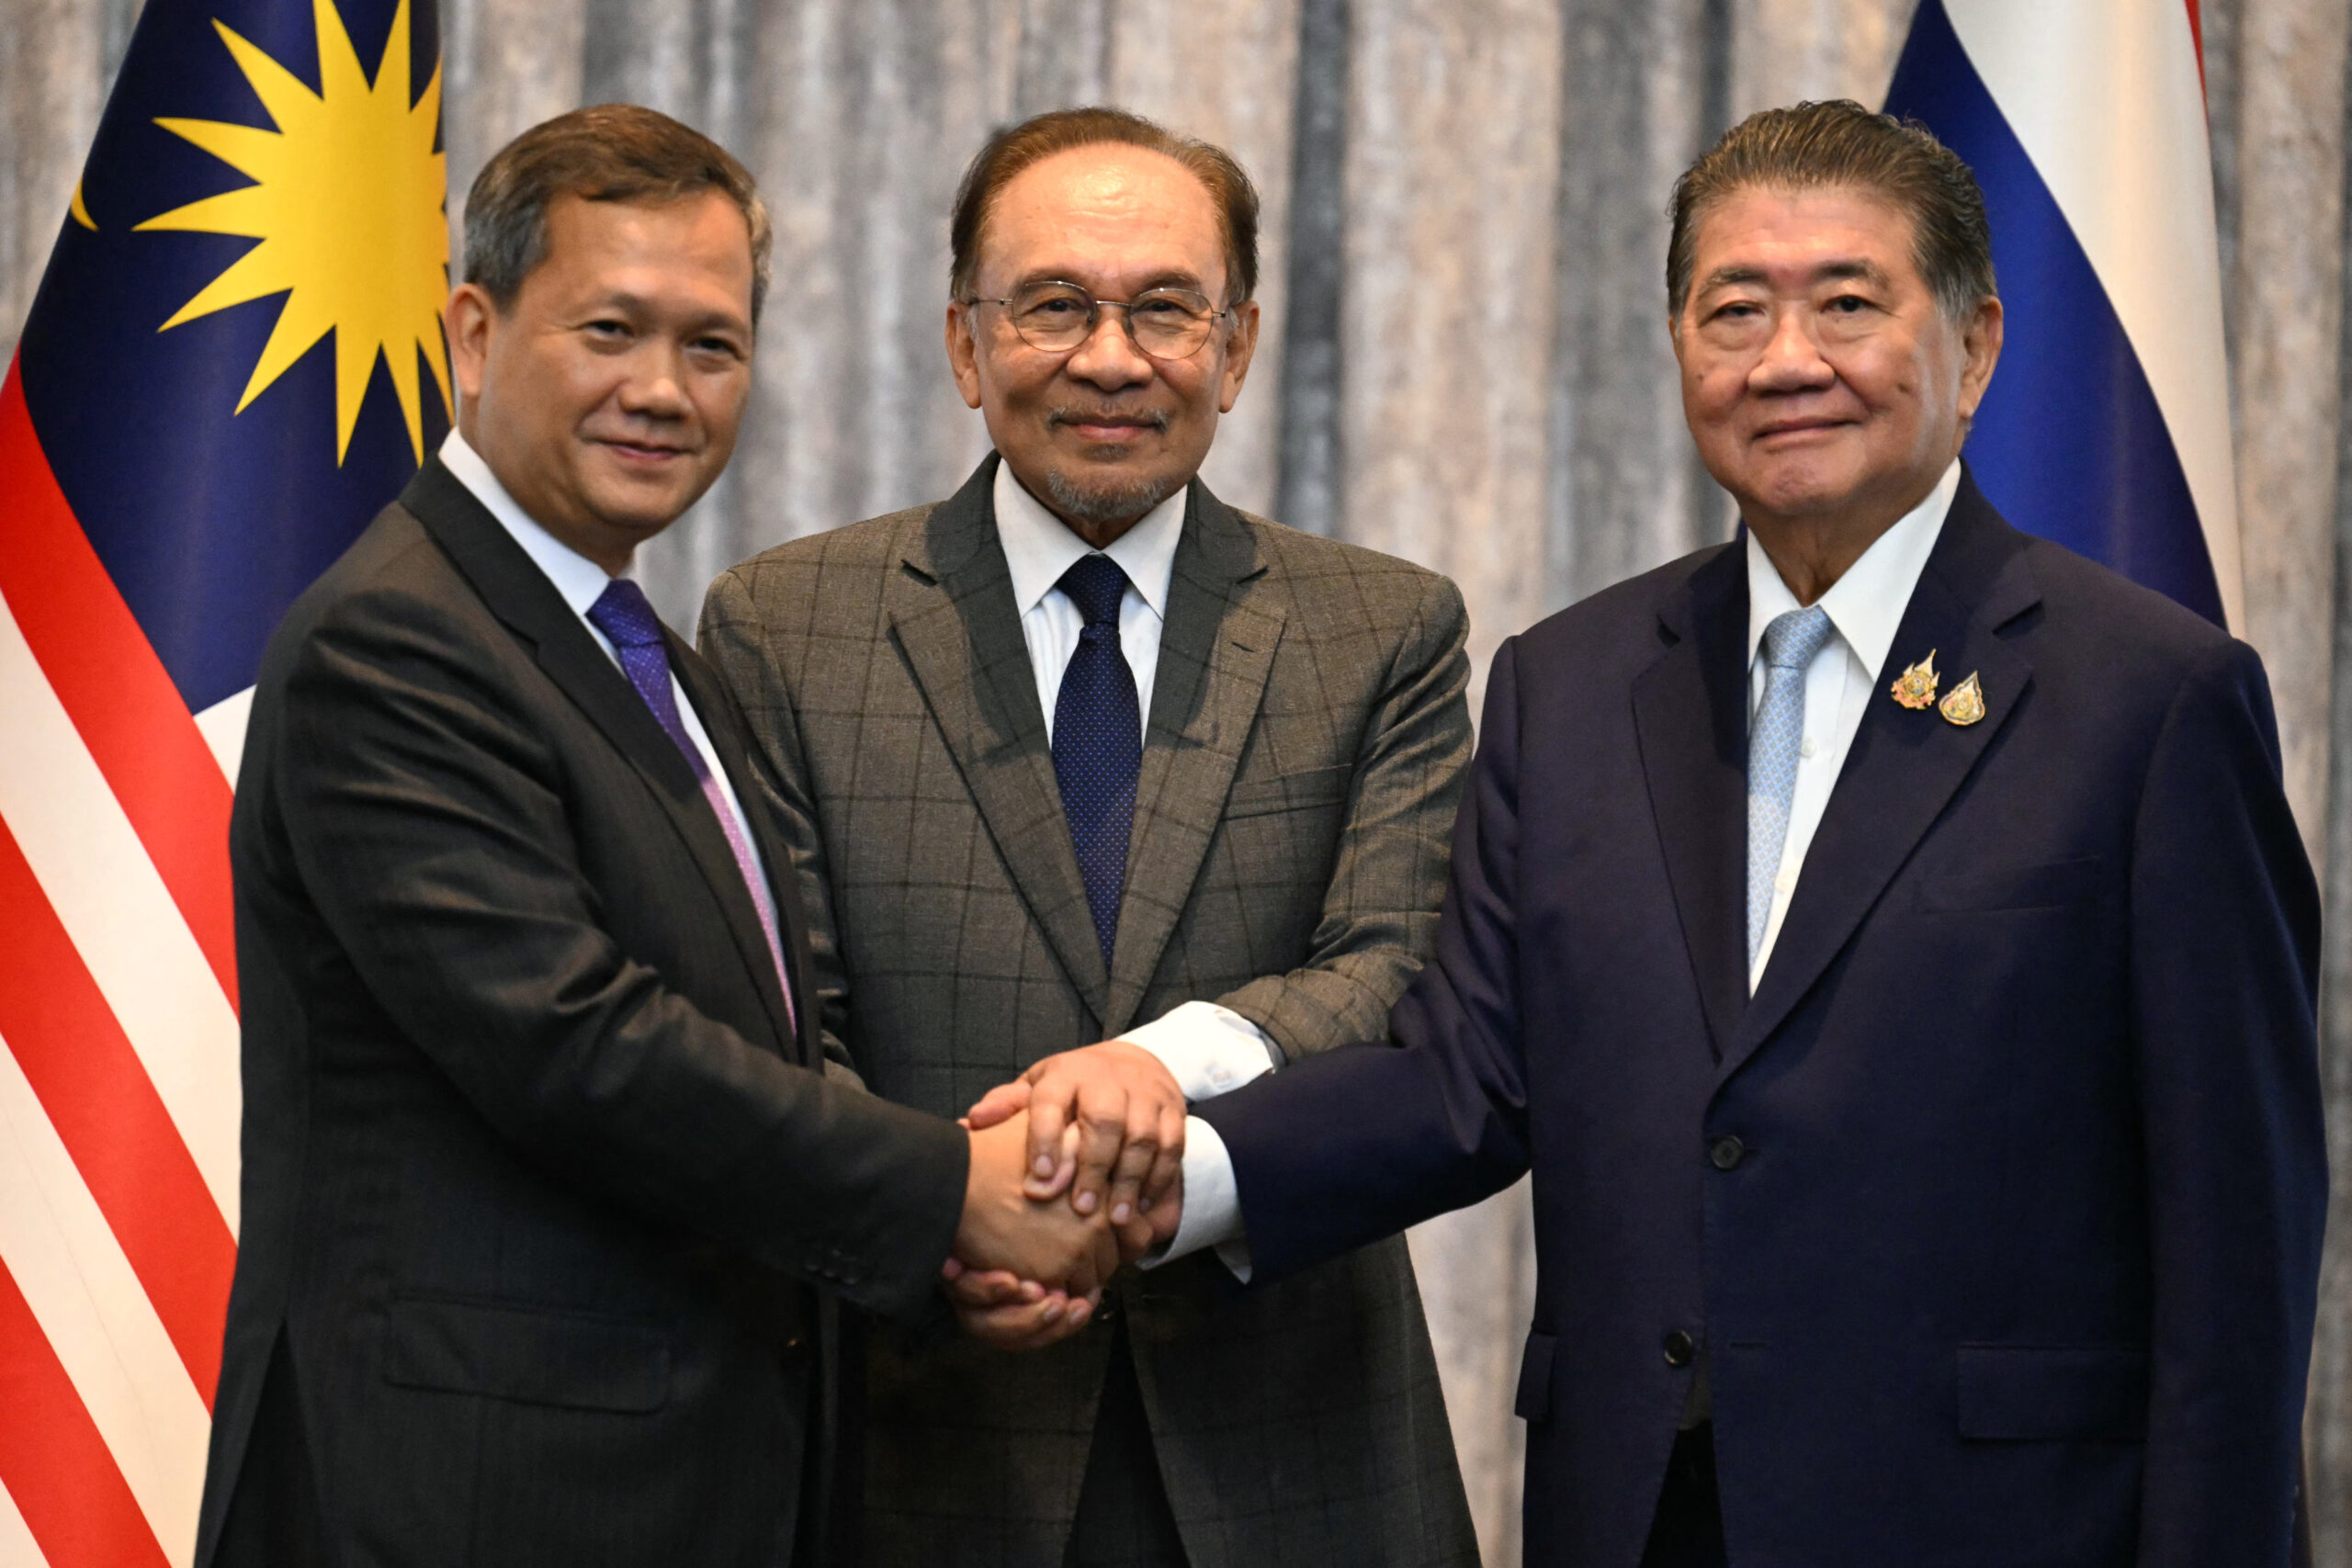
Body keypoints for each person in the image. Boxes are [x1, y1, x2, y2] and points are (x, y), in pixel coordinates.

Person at [1176, 100, 2328, 1566]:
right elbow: (1464, 1082)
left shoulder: (2152, 700)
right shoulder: (1571, 683)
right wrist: (1170, 1173)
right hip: (1641, 1517)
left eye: (1848, 303)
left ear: (1974, 346)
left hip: (1996, 1528)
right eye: (1735, 310)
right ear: (1679, 346)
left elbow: (2238, 1230)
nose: (1786, 360)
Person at [197, 105, 1121, 1568]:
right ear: (475, 336)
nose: (663, 391)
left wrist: (934, 1247)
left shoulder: (653, 657)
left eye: (712, 345)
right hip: (466, 1503)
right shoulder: (396, 641)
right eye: (611, 330)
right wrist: (954, 1195)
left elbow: (755, 1035)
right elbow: (580, 1049)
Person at [698, 107, 1479, 1566]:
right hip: (924, 1441)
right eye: (1054, 304)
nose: (1112, 358)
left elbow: (1397, 971)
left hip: (1295, 1445)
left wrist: (1157, 1069)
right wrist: (942, 1220)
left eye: (1166, 309)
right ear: (965, 343)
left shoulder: (1386, 628)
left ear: (1237, 350)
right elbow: (783, 1021)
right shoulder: (784, 626)